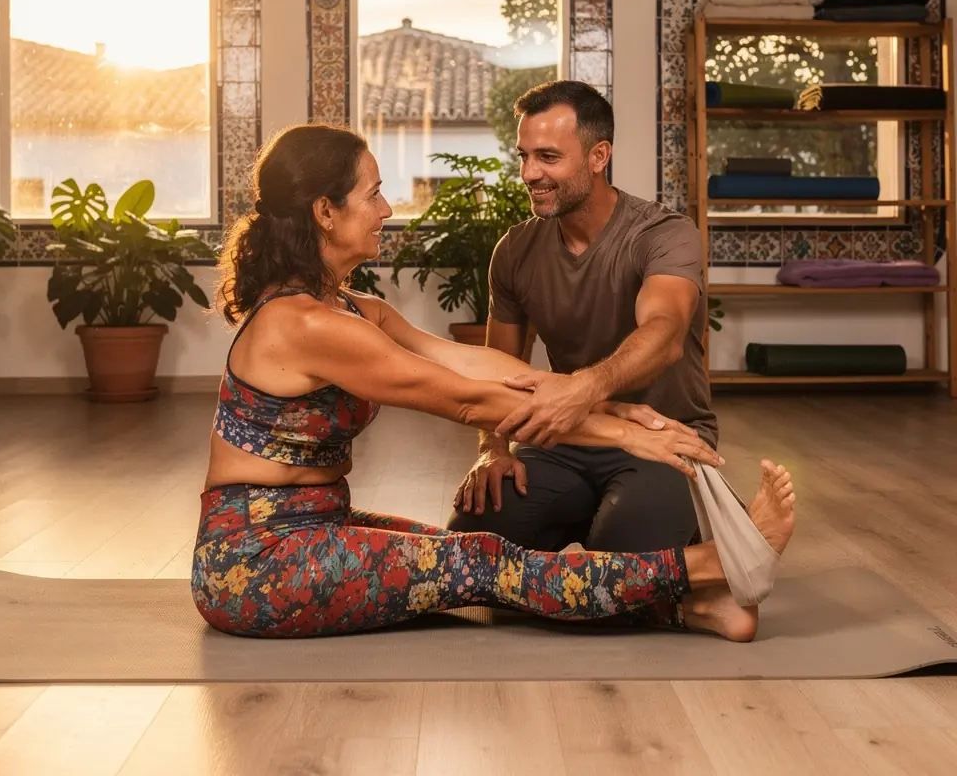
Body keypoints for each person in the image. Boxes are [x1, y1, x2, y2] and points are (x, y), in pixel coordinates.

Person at [191, 122, 796, 641]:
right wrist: (624, 436)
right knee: (483, 563)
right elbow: (463, 399)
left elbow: (476, 365)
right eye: (373, 194)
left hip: (318, 523)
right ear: (325, 211)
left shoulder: (350, 308)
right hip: (255, 562)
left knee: (480, 561)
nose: (387, 210)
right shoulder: (302, 324)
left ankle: (697, 607)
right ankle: (716, 564)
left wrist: (604, 401)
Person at [448, 80, 716, 555]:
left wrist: (584, 387)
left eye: (548, 157)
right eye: (524, 156)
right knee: (473, 539)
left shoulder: (664, 234)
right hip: (567, 436)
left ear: (599, 156)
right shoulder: (514, 250)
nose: (530, 173)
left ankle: (668, 525)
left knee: (622, 555)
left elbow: (665, 333)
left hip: (663, 437)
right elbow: (498, 366)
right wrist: (493, 449)